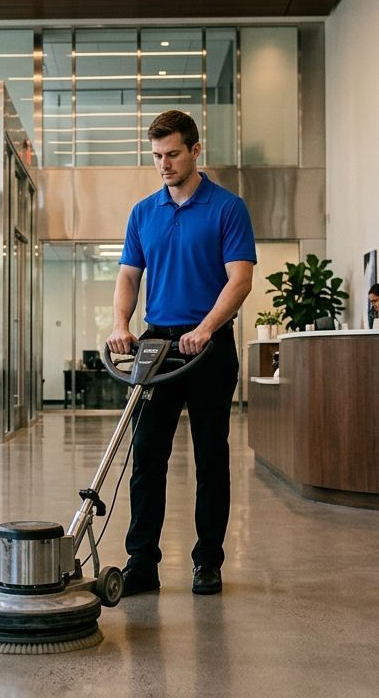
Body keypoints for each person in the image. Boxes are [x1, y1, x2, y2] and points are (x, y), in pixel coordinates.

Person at [106, 110, 256, 597]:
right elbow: (129, 276)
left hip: (208, 347)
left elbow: (240, 279)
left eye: (172, 154)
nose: (164, 164)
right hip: (157, 346)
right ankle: (142, 564)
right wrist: (120, 325)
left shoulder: (228, 208)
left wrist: (207, 328)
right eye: (156, 156)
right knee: (148, 455)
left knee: (211, 456)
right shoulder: (143, 212)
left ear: (195, 151)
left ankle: (208, 560)